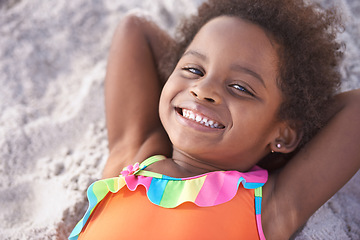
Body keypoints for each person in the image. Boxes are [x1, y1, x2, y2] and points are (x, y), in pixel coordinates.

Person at [69, 0, 360, 239]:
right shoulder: (133, 161)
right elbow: (136, 29)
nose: (204, 90)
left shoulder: (271, 205)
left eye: (240, 88)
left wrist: (287, 120)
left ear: (283, 135)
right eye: (194, 70)